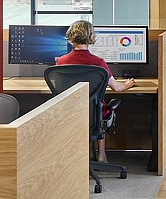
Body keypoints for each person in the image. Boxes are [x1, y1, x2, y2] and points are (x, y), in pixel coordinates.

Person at [56, 20, 135, 162]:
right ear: (91, 37)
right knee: (99, 109)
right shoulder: (98, 62)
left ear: (71, 36)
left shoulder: (61, 61)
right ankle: (101, 155)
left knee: (93, 109)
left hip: (70, 111)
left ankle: (79, 157)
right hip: (94, 112)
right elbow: (117, 87)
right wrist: (128, 84)